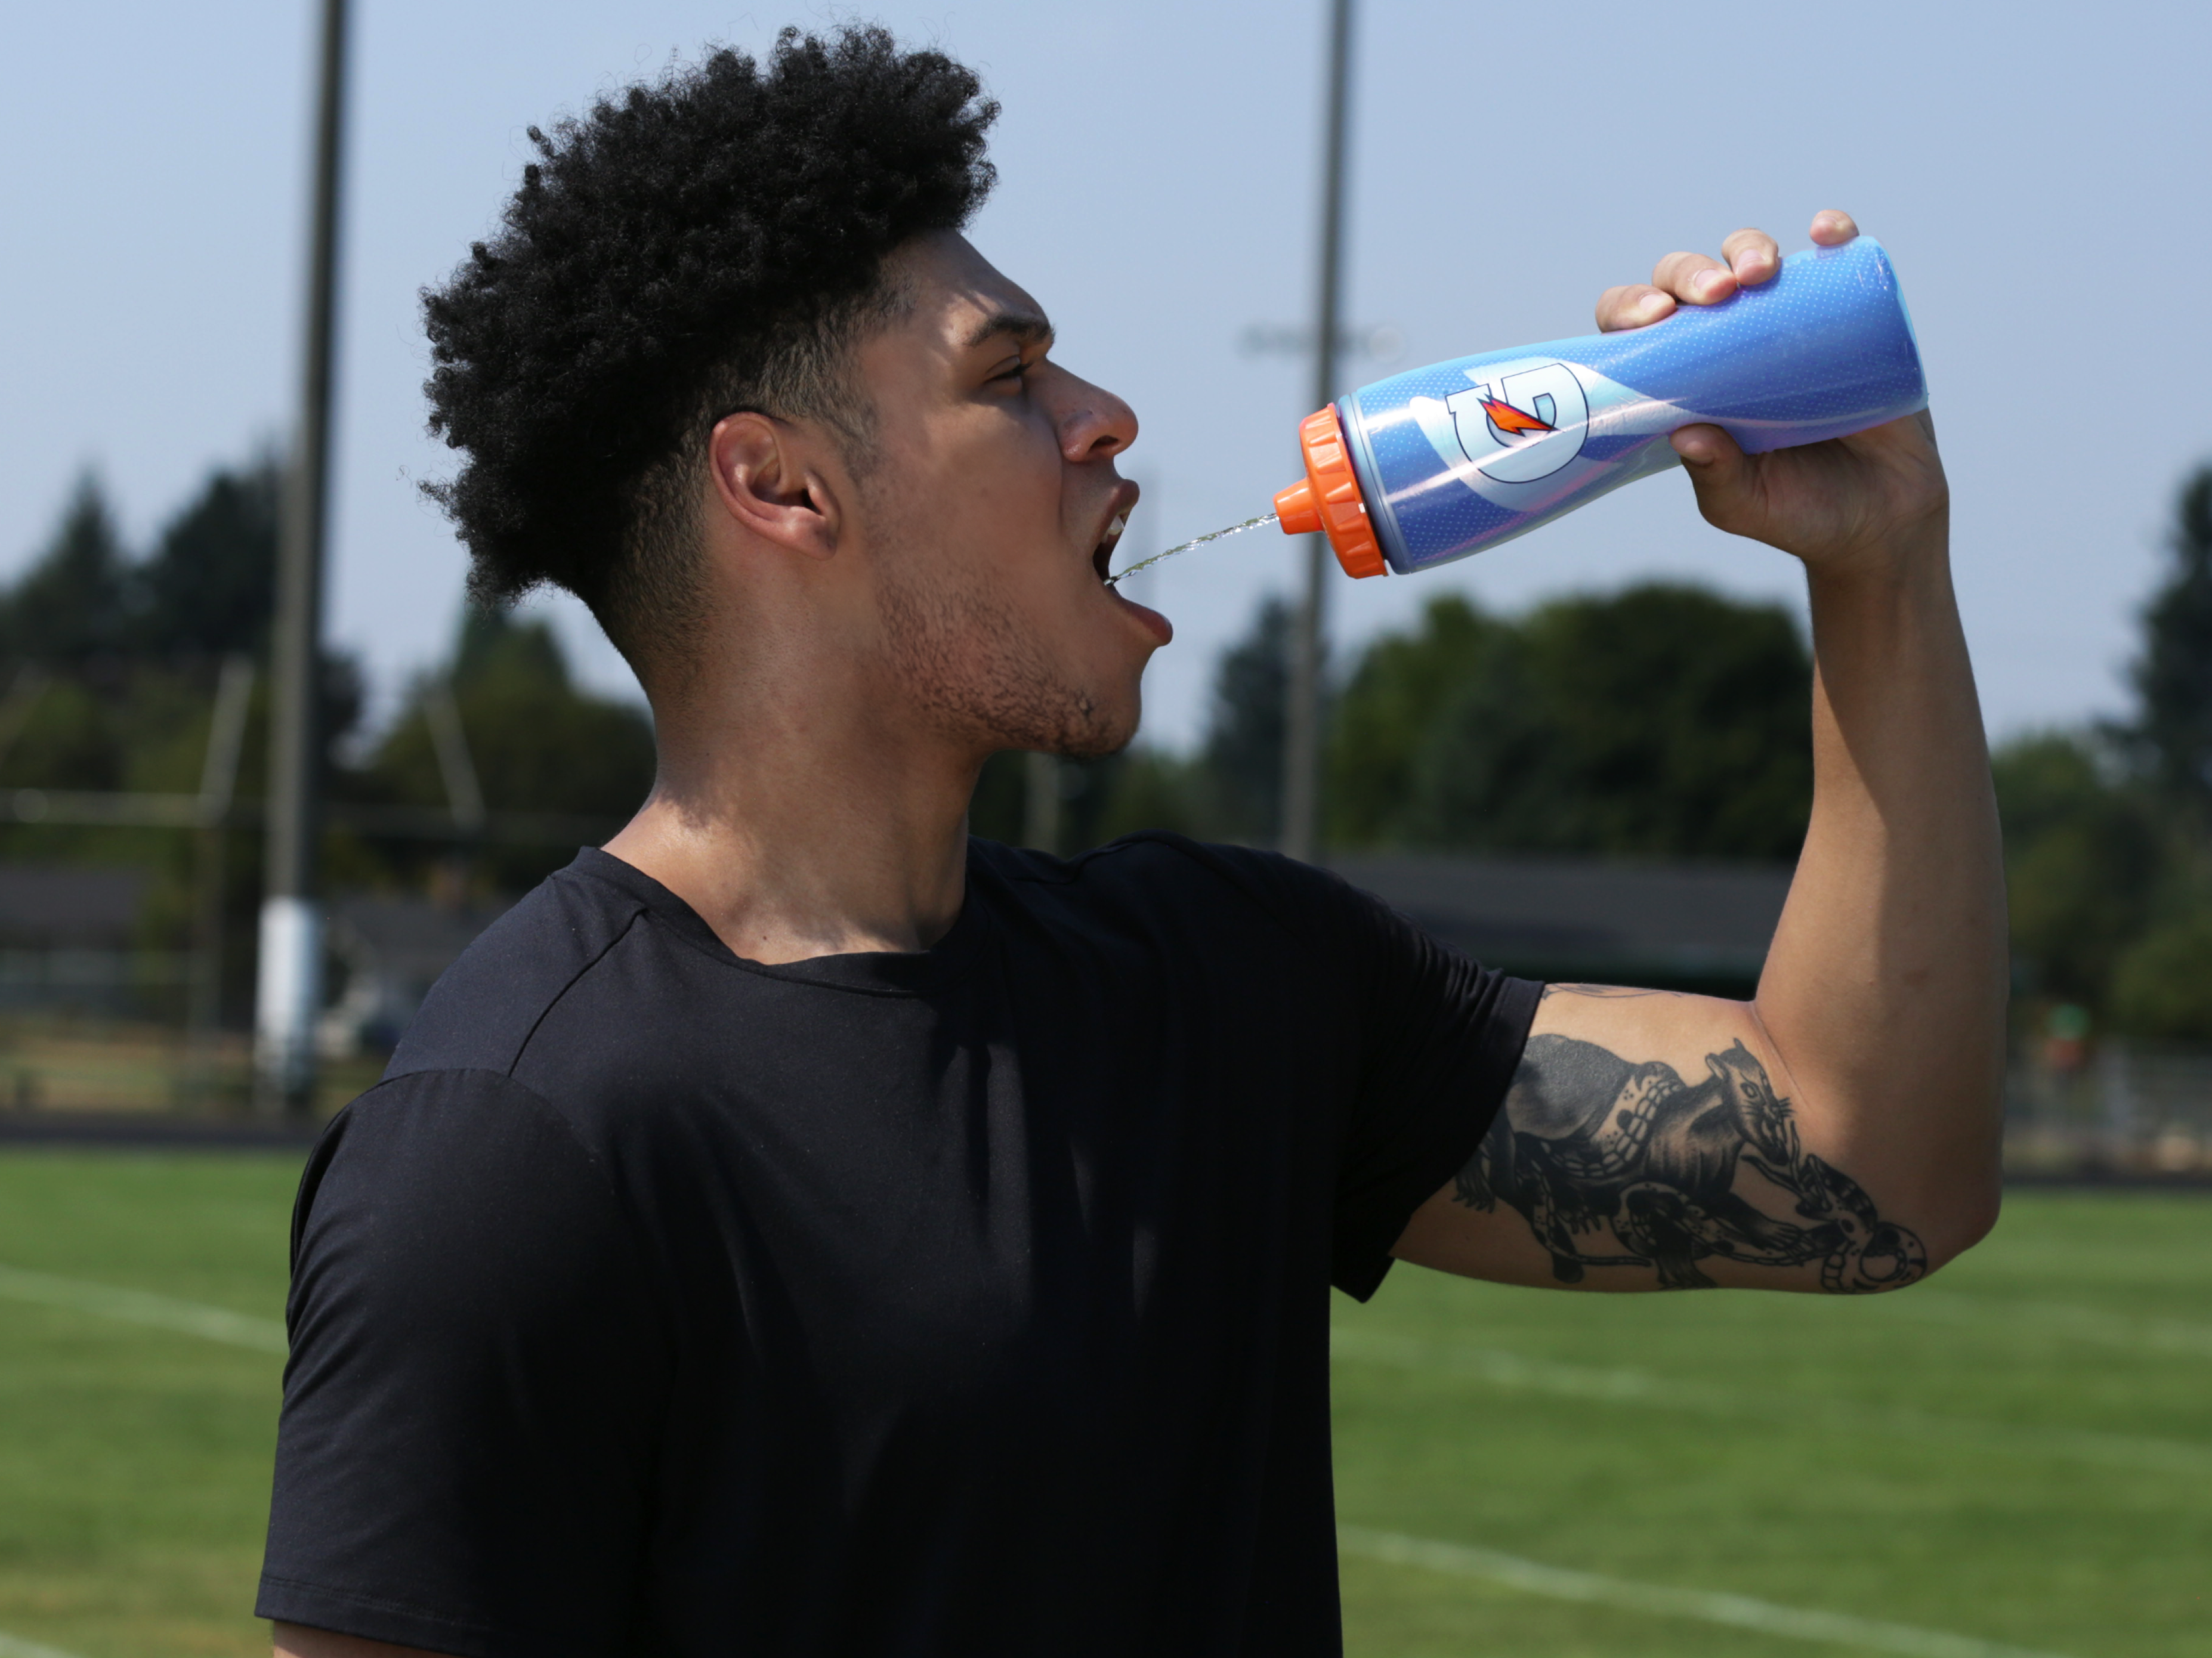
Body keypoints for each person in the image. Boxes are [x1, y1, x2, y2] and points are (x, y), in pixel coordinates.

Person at [260, 26, 2006, 1658]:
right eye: (1009, 377)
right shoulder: (511, 1150)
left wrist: (1879, 566)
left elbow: (1870, 1161)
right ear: (782, 488)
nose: (1105, 416)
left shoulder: (1229, 981)